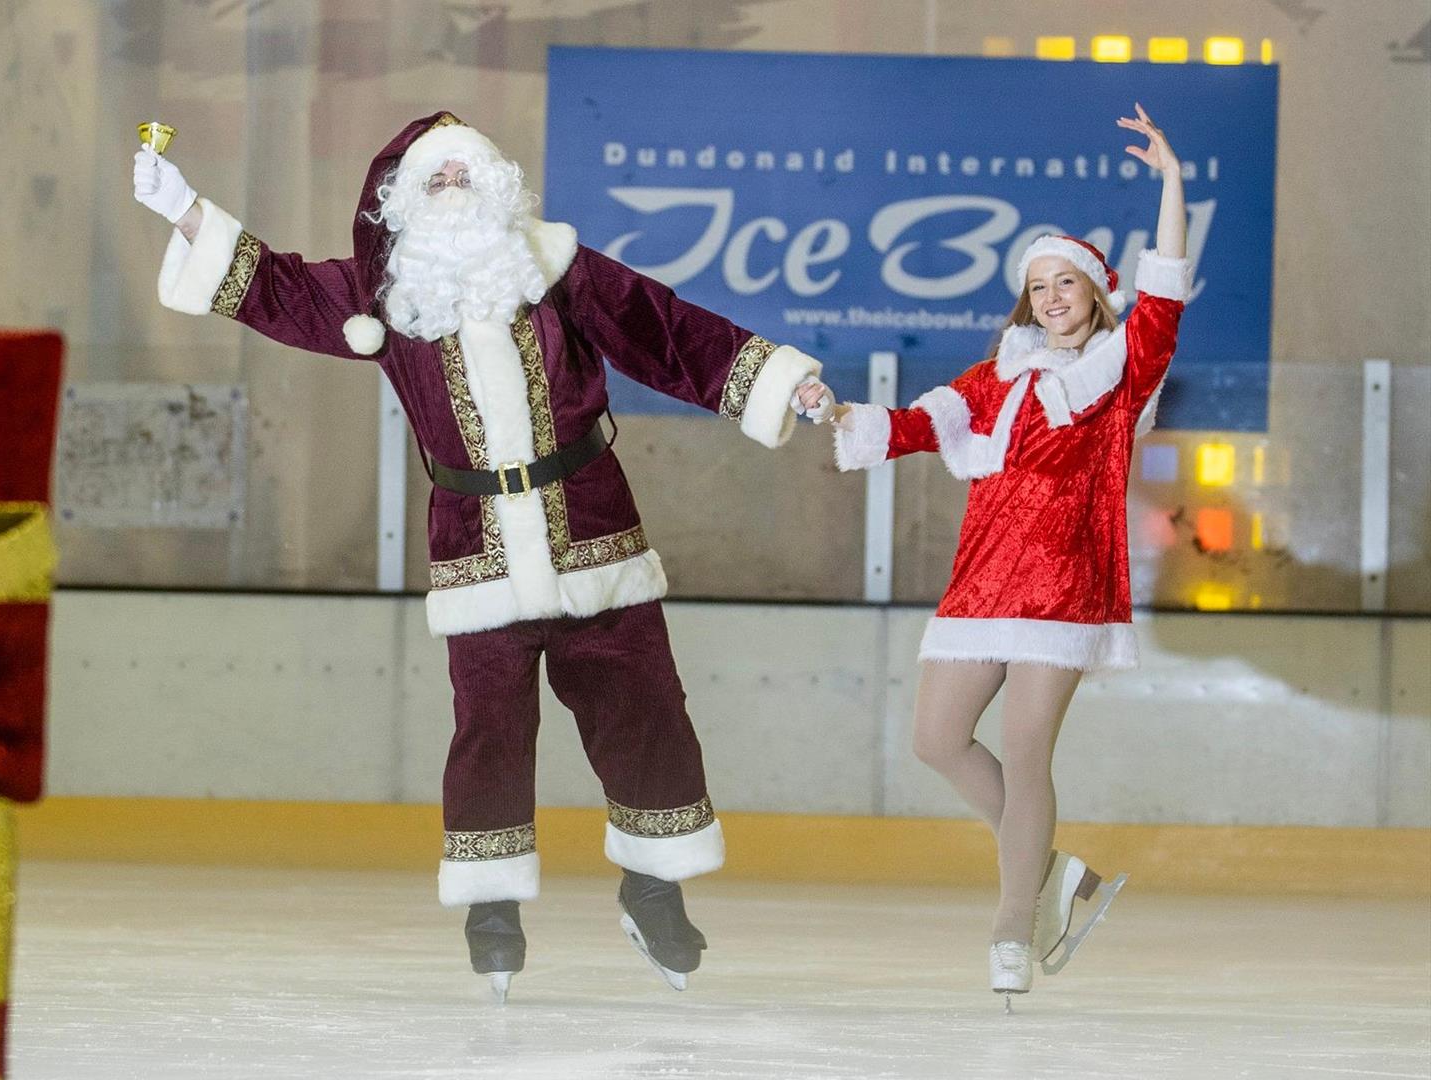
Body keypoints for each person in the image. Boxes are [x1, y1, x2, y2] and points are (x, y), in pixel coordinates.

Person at [133, 111, 827, 1000]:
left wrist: (779, 378)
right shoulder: (384, 296)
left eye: (466, 173)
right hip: (475, 550)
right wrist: (186, 209)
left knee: (645, 708)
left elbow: (669, 332)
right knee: (489, 729)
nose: (453, 188)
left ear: (498, 184)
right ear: (404, 200)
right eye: (436, 178)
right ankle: (492, 906)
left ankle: (653, 884)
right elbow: (275, 289)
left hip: (594, 530)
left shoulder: (555, 268)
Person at [804, 103, 1190, 1008]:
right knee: (936, 738)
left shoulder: (1122, 368)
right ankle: (1057, 873)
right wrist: (832, 412)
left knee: (1024, 757)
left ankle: (1015, 925)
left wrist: (1171, 181)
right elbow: (905, 427)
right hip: (982, 580)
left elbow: (1164, 290)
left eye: (1070, 284)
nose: (1054, 298)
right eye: (1040, 286)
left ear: (1097, 293)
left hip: (1064, 584)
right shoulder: (996, 376)